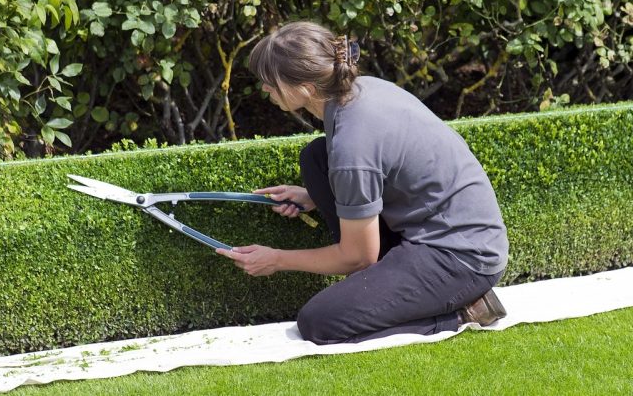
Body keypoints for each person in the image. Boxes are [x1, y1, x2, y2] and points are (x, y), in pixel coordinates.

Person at [215, 21, 509, 344]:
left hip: (461, 255)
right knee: (315, 159)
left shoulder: (352, 144)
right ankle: (386, 290)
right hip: (442, 228)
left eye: (270, 83)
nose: (265, 90)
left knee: (318, 322)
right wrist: (312, 196)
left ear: (306, 89)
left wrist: (277, 259)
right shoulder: (358, 91)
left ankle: (463, 312)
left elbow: (359, 257)